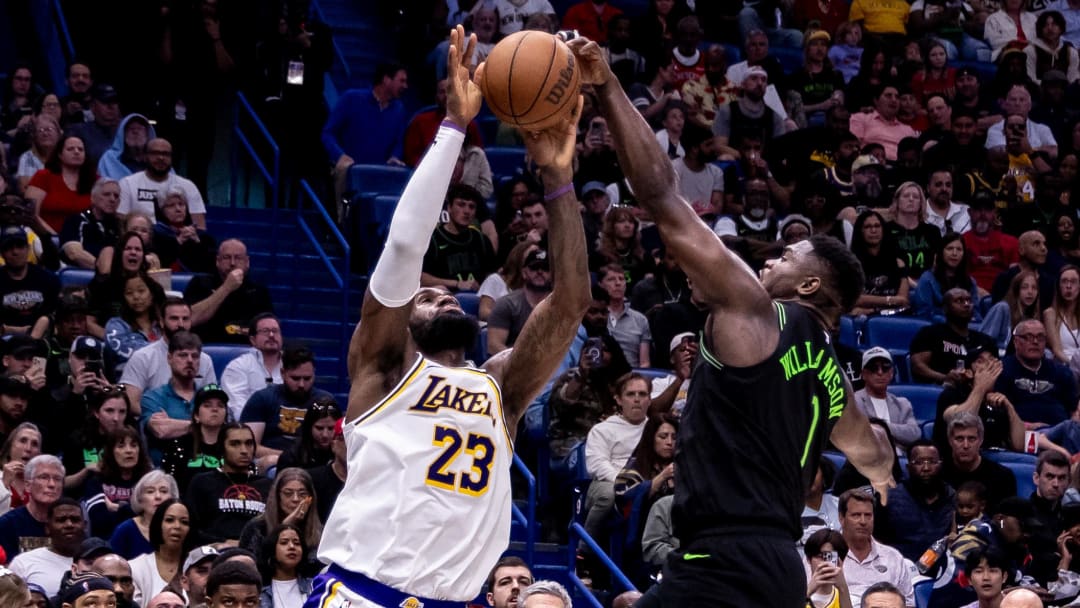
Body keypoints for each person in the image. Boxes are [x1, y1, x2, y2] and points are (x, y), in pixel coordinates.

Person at [568, 36, 894, 607]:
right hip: (778, 568)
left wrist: (607, 85)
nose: (772, 258)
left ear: (811, 285)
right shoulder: (831, 374)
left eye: (788, 257)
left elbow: (662, 198)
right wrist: (886, 478)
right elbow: (872, 456)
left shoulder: (757, 313)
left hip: (719, 559)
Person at [309, 27, 590, 607]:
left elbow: (570, 303)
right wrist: (454, 128)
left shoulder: (501, 388)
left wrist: (559, 178)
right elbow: (405, 250)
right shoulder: (384, 369)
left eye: (444, 296)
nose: (441, 299)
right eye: (424, 300)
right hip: (363, 593)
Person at [322, 62, 410, 219]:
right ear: (386, 80)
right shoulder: (351, 98)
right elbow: (328, 133)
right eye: (401, 81)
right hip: (350, 168)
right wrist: (340, 155)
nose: (406, 86)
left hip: (379, 173)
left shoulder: (399, 109)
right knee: (343, 170)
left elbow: (399, 142)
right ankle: (341, 222)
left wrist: (395, 157)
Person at [240, 345, 333, 470]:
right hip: (271, 462)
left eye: (307, 378)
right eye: (295, 378)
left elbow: (333, 443)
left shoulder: (325, 400)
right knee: (271, 461)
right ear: (283, 373)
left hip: (313, 462)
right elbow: (250, 446)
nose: (301, 384)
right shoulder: (262, 398)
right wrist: (289, 457)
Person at [119, 297, 216, 413]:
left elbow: (212, 400)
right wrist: (155, 418)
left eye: (185, 319)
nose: (180, 324)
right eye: (174, 318)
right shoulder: (142, 357)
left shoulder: (204, 359)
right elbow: (131, 402)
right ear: (161, 322)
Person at [184, 423, 271, 545]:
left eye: (249, 443)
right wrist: (223, 542)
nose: (244, 450)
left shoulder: (267, 485)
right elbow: (191, 528)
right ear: (221, 448)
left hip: (256, 552)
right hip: (214, 551)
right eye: (235, 444)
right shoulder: (202, 482)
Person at [876, 441, 956, 561]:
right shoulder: (888, 498)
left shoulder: (954, 498)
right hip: (900, 570)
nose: (926, 468)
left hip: (945, 570)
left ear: (941, 465)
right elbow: (875, 538)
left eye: (932, 462)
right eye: (919, 462)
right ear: (908, 467)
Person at [183, 239, 274, 344]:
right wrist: (226, 287)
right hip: (202, 349)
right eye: (226, 257)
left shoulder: (258, 291)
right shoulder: (199, 283)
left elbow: (266, 330)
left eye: (238, 258)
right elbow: (190, 319)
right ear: (217, 261)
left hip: (247, 351)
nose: (232, 263)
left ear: (247, 262)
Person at [837, 490, 915, 607]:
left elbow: (908, 604)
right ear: (841, 518)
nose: (863, 522)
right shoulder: (824, 557)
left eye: (868, 515)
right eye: (856, 515)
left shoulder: (893, 558)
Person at [995, 319, 1078, 426]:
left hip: (1060, 432)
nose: (1035, 342)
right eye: (1028, 337)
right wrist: (1028, 426)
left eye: (1040, 337)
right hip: (1019, 433)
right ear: (1016, 342)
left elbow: (1074, 410)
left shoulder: (1062, 372)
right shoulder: (1001, 369)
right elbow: (999, 414)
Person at [139, 331, 206, 463]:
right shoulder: (152, 397)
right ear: (169, 358)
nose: (190, 360)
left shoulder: (208, 397)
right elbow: (161, 430)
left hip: (203, 471)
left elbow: (223, 430)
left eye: (195, 356)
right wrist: (205, 426)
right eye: (182, 355)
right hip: (164, 474)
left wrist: (174, 424)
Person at [238, 468, 322, 571]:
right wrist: (283, 528)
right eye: (288, 493)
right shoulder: (256, 527)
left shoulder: (320, 531)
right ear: (278, 496)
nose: (295, 499)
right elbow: (251, 567)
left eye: (302, 494)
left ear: (310, 498)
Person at [910, 288, 998, 384]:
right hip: (941, 390)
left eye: (969, 300)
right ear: (945, 309)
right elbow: (917, 366)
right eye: (959, 301)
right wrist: (944, 377)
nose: (966, 304)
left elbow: (997, 369)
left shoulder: (985, 340)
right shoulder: (931, 333)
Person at [116, 139, 207, 230]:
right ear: (145, 156)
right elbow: (121, 223)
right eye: (155, 153)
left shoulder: (188, 186)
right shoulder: (127, 183)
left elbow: (200, 227)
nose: (161, 158)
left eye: (166, 154)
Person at [420, 184, 496, 292]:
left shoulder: (481, 239)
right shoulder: (433, 239)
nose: (466, 211)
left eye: (471, 207)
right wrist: (457, 284)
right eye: (461, 205)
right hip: (443, 298)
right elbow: (421, 278)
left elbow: (492, 275)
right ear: (449, 208)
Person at [82, 427, 152, 539]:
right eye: (121, 446)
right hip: (107, 544)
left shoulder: (148, 481)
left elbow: (153, 517)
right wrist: (135, 510)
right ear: (110, 452)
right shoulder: (96, 482)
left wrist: (117, 507)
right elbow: (101, 522)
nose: (129, 450)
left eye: (134, 445)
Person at [23, 133, 96, 235]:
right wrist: (54, 238)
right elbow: (31, 214)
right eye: (70, 149)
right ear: (60, 154)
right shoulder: (43, 176)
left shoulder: (95, 181)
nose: (76, 152)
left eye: (80, 149)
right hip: (47, 238)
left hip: (85, 239)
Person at [160, 384, 228, 493]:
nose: (215, 409)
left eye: (220, 405)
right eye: (207, 405)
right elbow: (170, 484)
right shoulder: (179, 446)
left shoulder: (234, 446)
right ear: (196, 415)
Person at [941, 413, 1018, 508]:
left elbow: (1005, 520)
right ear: (950, 441)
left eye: (972, 439)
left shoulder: (1002, 477)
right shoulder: (939, 475)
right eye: (959, 439)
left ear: (981, 440)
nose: (966, 445)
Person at [487, 248, 553, 354]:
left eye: (545, 268)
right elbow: (494, 346)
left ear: (552, 274)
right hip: (514, 363)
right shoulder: (506, 304)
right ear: (524, 272)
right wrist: (521, 363)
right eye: (534, 268)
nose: (540, 272)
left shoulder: (560, 305)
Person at [128, 497, 192, 605]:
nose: (177, 526)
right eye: (169, 520)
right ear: (158, 525)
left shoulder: (199, 568)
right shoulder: (136, 568)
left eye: (184, 522)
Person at [852, 348, 921, 448]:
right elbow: (859, 433)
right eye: (873, 368)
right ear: (863, 374)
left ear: (891, 373)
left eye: (885, 368)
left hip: (899, 457)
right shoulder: (854, 401)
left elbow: (914, 434)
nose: (880, 372)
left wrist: (883, 426)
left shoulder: (902, 404)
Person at [0, 454, 63, 561]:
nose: (52, 484)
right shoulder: (7, 524)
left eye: (57, 479)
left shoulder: (70, 523)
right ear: (28, 486)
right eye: (44, 477)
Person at [220, 313, 283, 419]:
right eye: (265, 331)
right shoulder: (238, 366)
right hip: (248, 428)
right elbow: (238, 408)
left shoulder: (293, 365)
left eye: (275, 331)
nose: (271, 335)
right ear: (253, 340)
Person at [104, 272, 166, 378]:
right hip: (127, 383)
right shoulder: (116, 326)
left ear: (152, 294)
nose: (136, 297)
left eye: (141, 291)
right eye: (129, 293)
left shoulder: (163, 324)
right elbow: (129, 354)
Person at [0, 226, 59, 336]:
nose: (15, 252)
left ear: (28, 248)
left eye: (20, 246)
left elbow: (55, 317)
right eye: (9, 248)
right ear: (2, 253)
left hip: (41, 340)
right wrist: (13, 330)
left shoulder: (48, 279)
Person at [107, 470, 179, 561]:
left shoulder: (179, 528)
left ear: (172, 498)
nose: (158, 496)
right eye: (150, 492)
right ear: (139, 499)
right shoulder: (125, 530)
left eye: (164, 491)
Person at [912, 233, 982, 320]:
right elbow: (923, 312)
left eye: (959, 249)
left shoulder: (970, 281)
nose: (954, 253)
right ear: (941, 252)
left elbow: (976, 313)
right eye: (950, 249)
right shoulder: (927, 279)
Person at [964, 190, 1019, 294]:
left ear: (994, 213)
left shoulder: (1011, 242)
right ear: (970, 212)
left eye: (988, 209)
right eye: (978, 209)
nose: (983, 214)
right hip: (969, 298)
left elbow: (1016, 280)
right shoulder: (961, 242)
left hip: (1002, 298)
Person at [60, 178, 121, 270]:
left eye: (116, 196)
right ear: (93, 198)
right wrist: (103, 268)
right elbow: (74, 253)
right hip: (81, 275)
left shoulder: (120, 226)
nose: (112, 199)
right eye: (106, 194)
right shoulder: (76, 220)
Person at [151, 187, 215, 273]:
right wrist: (178, 242)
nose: (178, 209)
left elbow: (209, 266)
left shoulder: (203, 237)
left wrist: (196, 242)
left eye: (181, 204)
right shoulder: (154, 235)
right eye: (171, 205)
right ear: (161, 211)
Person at [276, 398, 341, 471]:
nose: (325, 435)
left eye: (331, 428)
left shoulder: (346, 453)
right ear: (309, 427)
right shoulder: (291, 456)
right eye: (319, 428)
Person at [257, 523, 312, 608]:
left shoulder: (314, 586)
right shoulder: (259, 591)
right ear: (272, 549)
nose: (292, 546)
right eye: (284, 542)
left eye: (297, 543)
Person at [804, 528, 854, 608]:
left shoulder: (845, 596)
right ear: (808, 559)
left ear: (839, 560)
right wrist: (808, 592)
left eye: (830, 557)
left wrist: (843, 588)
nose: (825, 563)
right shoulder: (795, 596)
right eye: (820, 556)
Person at [97, 114, 155, 181]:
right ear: (122, 134)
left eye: (140, 128)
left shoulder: (157, 158)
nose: (135, 132)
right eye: (131, 128)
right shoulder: (109, 159)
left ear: (148, 134)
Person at [0, 422, 41, 513]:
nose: (28, 448)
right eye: (23, 441)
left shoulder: (41, 485)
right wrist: (3, 484)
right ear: (10, 447)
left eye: (34, 444)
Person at [1042, 265, 1080, 366]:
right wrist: (1074, 365)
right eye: (1064, 281)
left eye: (1073, 281)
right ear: (1058, 287)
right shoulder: (1050, 314)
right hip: (1063, 366)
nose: (1068, 286)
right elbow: (1057, 351)